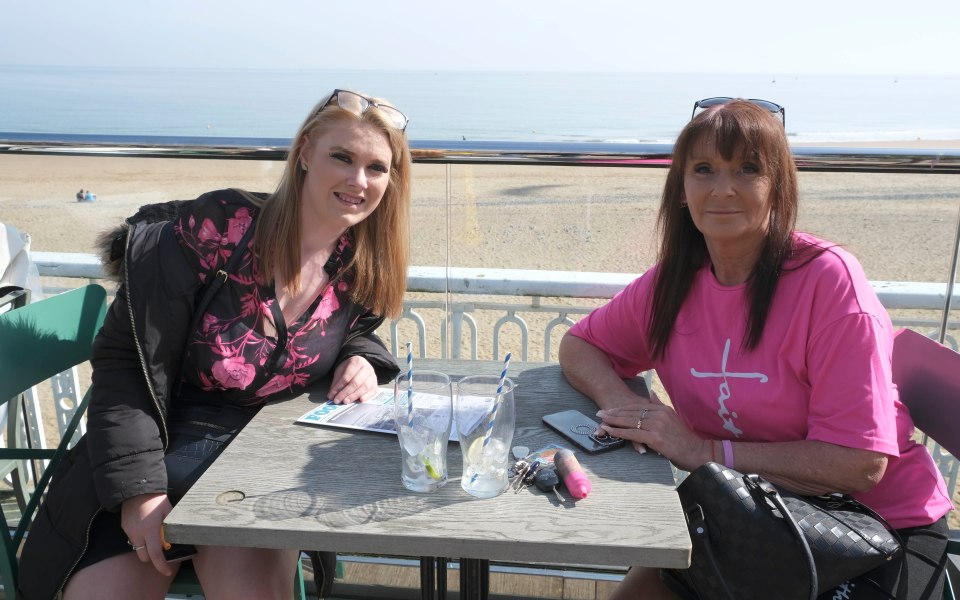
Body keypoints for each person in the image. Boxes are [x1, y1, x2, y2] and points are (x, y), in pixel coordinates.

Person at [17, 89, 413, 600]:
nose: (358, 181)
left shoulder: (360, 262)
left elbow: (348, 328)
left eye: (376, 168)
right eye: (342, 157)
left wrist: (364, 357)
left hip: (245, 470)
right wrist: (140, 493)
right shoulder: (220, 229)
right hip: (148, 449)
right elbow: (126, 364)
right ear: (306, 152)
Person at [558, 99, 953, 600]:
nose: (722, 188)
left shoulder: (829, 282)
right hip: (750, 513)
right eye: (704, 170)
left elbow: (860, 463)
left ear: (778, 187)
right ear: (681, 188)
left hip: (876, 528)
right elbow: (581, 345)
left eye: (747, 169)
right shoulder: (673, 283)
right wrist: (626, 406)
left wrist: (704, 451)